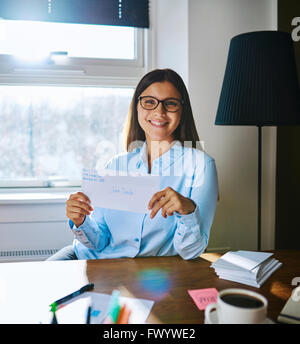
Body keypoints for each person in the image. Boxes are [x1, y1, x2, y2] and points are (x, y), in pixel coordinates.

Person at [47, 68, 218, 261]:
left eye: (170, 103)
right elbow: (99, 241)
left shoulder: (201, 166)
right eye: (149, 102)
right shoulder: (116, 164)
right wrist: (81, 221)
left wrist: (188, 210)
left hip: (147, 274)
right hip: (86, 258)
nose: (159, 112)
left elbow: (191, 251)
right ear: (137, 107)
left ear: (182, 110)